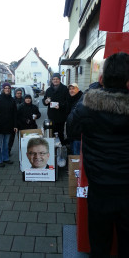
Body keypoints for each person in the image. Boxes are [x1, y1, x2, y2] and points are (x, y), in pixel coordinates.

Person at [67, 52, 129, 257]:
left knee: (99, 245)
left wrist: (89, 93)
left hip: (99, 189)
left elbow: (71, 130)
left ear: (102, 79)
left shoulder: (88, 106)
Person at [0, 82, 18, 167]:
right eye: (5, 88)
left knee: (6, 145)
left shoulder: (12, 100)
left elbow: (15, 114)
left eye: (8, 88)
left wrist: (15, 125)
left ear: (10, 90)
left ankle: (5, 158)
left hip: (9, 126)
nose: (7, 89)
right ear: (3, 89)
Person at [42, 73, 69, 144]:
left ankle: (61, 148)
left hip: (61, 116)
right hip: (51, 115)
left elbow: (67, 102)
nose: (55, 80)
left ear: (59, 80)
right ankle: (52, 149)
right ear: (52, 80)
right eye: (54, 79)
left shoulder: (65, 89)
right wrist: (46, 101)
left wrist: (60, 105)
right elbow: (44, 101)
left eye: (57, 79)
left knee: (60, 133)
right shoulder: (48, 90)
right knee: (51, 133)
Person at [66, 83, 83, 155]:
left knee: (76, 157)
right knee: (73, 155)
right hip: (71, 134)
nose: (71, 90)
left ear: (78, 89)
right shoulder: (70, 99)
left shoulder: (81, 100)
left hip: (77, 135)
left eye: (73, 88)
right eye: (70, 89)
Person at [8, 88, 24, 155]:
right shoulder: (12, 100)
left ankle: (23, 152)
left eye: (20, 93)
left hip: (21, 122)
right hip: (13, 122)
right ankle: (8, 152)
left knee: (22, 138)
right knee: (11, 139)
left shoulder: (24, 100)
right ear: (15, 93)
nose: (19, 94)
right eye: (18, 93)